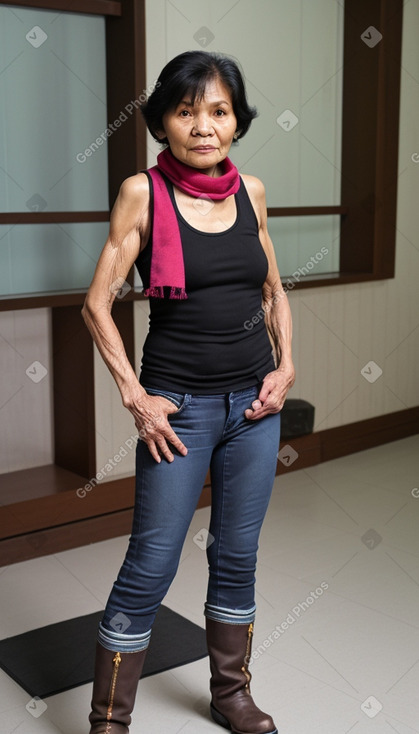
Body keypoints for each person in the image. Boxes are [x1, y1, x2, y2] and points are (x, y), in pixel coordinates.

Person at [82, 50, 295, 734]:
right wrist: (135, 397)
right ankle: (109, 718)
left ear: (235, 121)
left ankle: (229, 695)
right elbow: (96, 304)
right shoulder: (141, 193)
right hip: (180, 409)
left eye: (219, 111)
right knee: (152, 560)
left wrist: (285, 365)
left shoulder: (251, 191)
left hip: (254, 409)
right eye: (185, 111)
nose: (203, 126)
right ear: (162, 123)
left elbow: (271, 290)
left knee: (237, 554)